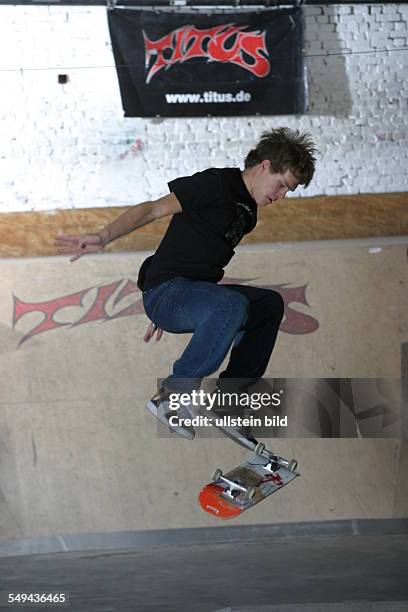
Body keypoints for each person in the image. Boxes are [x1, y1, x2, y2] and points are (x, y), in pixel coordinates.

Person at [56, 127, 317, 447]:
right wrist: (102, 237)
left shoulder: (247, 213)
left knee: (269, 304)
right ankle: (173, 395)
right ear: (264, 166)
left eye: (288, 192)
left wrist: (193, 307)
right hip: (168, 291)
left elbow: (193, 254)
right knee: (231, 305)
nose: (280, 197)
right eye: (281, 186)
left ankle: (231, 402)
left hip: (188, 296)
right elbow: (152, 209)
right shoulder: (216, 184)